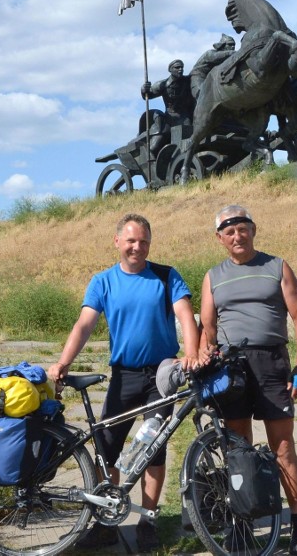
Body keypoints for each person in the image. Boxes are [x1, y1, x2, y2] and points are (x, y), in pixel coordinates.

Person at [47, 213, 200, 551]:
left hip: (161, 376)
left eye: (143, 241)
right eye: (130, 240)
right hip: (124, 377)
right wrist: (63, 362)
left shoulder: (165, 276)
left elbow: (186, 316)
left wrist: (190, 353)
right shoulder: (103, 281)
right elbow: (84, 325)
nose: (137, 246)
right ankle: (105, 522)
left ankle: (148, 519)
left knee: (153, 452)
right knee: (106, 450)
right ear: (117, 242)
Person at [198, 204, 297, 555]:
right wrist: (206, 359)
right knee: (239, 451)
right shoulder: (212, 276)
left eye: (243, 228)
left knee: (283, 447)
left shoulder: (277, 266)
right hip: (232, 369)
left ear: (253, 230)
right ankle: (243, 524)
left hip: (271, 364)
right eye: (229, 231)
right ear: (220, 238)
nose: (237, 236)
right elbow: (208, 329)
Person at [140, 59, 195, 155]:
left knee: (188, 141)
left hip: (185, 117)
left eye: (182, 67)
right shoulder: (163, 84)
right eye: (177, 67)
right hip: (169, 118)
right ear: (170, 70)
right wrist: (144, 89)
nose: (180, 69)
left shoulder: (188, 81)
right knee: (155, 145)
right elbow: (148, 95)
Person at [189, 34, 236, 100]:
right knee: (201, 93)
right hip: (198, 76)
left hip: (212, 77)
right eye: (230, 44)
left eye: (234, 45)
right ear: (222, 45)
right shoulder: (210, 53)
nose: (233, 47)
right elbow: (215, 57)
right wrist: (231, 53)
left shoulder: (226, 57)